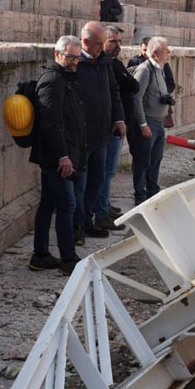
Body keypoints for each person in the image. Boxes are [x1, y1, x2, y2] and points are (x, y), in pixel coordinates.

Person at [29, 36, 85, 274]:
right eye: (70, 57)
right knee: (66, 204)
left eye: (77, 57)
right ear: (57, 55)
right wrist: (63, 156)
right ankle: (68, 259)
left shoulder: (64, 79)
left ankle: (40, 255)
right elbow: (51, 124)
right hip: (56, 157)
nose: (74, 62)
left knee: (48, 204)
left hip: (60, 154)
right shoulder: (53, 81)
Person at [73, 21, 126, 239]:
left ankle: (88, 221)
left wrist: (119, 117)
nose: (101, 48)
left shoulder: (104, 62)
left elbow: (113, 92)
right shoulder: (75, 64)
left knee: (97, 180)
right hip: (82, 137)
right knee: (81, 184)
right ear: (85, 42)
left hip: (102, 134)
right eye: (98, 43)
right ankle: (77, 226)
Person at [129, 37, 174, 204]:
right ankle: (140, 195)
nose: (169, 52)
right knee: (143, 161)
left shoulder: (160, 69)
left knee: (156, 159)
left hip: (158, 122)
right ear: (155, 53)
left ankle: (152, 191)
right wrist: (142, 124)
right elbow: (136, 98)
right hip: (148, 123)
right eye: (166, 50)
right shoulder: (145, 70)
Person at [102, 26, 138, 221]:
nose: (118, 45)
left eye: (120, 41)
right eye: (113, 41)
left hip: (118, 124)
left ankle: (104, 204)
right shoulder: (110, 65)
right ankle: (102, 208)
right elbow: (131, 85)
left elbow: (131, 85)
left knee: (109, 170)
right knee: (107, 170)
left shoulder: (114, 64)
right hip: (111, 126)